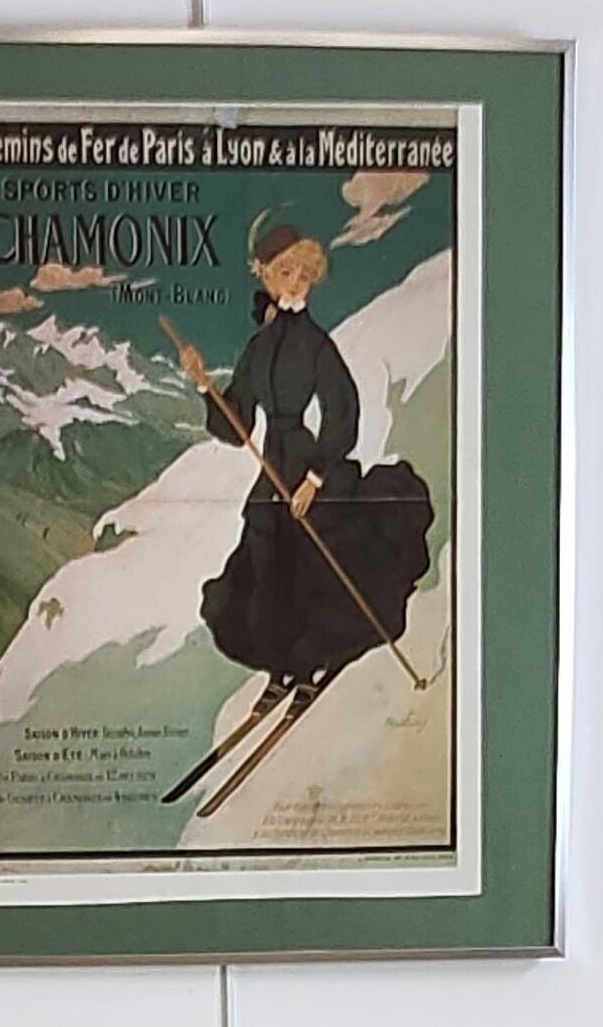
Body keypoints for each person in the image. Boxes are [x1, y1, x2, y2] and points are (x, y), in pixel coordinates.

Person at [173, 216, 433, 698]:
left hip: (311, 468)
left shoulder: (315, 345)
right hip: (273, 468)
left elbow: (344, 411)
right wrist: (203, 384)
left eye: (305, 274)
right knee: (265, 564)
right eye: (286, 271)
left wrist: (316, 476)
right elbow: (240, 425)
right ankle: (281, 664)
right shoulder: (259, 346)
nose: (296, 282)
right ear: (265, 272)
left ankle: (312, 662)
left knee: (311, 568)